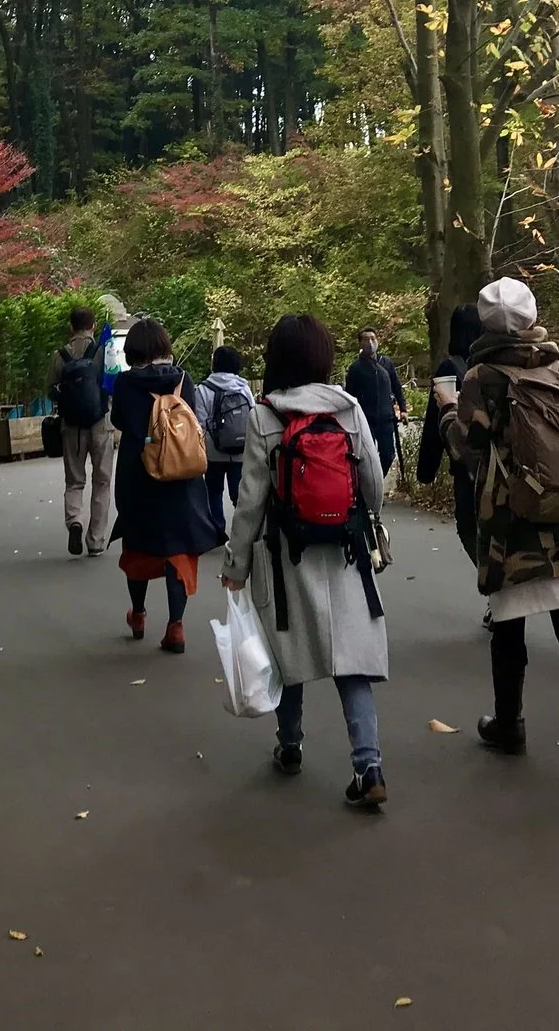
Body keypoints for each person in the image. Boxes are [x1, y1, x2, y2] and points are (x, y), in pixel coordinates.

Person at [438, 278, 559, 800]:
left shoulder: (483, 376)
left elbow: (468, 451)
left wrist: (449, 413)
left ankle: (510, 724)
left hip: (515, 525)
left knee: (510, 623)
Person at [223, 313, 389, 811]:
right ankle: (369, 765)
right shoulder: (349, 408)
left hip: (284, 554)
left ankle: (290, 745)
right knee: (351, 661)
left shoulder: (264, 416)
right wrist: (364, 518)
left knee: (288, 652)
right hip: (345, 551)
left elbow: (250, 500)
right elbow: (374, 484)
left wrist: (235, 567)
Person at [109, 319, 222, 653]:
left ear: (133, 351)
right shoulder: (184, 380)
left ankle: (139, 613)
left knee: (139, 544)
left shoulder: (125, 384)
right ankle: (176, 625)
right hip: (182, 475)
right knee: (178, 548)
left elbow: (119, 421)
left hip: (139, 475)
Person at [417, 303, 485, 570]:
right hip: (496, 462)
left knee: (468, 526)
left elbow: (436, 421)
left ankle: (494, 588)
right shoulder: (489, 364)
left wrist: (426, 469)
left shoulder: (450, 366)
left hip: (465, 462)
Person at [46, 306, 115, 557]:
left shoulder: (60, 355)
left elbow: (50, 389)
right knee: (102, 481)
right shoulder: (102, 351)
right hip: (100, 425)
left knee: (75, 481)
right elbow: (113, 383)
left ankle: (74, 520)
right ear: (93, 326)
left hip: (71, 427)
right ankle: (96, 540)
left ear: (71, 327)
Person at [194, 345, 255, 539]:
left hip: (213, 451)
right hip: (240, 449)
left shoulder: (203, 389)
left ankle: (217, 531)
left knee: (214, 492)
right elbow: (252, 416)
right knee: (239, 493)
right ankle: (242, 532)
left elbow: (199, 423)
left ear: (214, 364)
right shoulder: (244, 388)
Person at [346, 327, 407, 476]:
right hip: (366, 420)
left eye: (373, 338)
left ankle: (376, 482)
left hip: (386, 418)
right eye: (366, 339)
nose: (370, 342)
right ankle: (367, 490)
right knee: (366, 457)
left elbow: (396, 387)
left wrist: (403, 409)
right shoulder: (355, 369)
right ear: (360, 344)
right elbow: (349, 395)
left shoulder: (386, 363)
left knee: (388, 455)